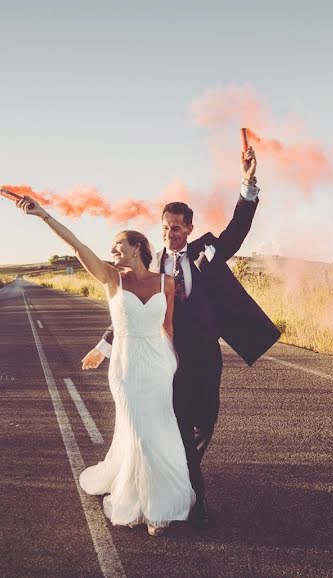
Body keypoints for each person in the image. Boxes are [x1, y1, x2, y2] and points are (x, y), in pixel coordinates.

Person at [81, 146, 281, 528]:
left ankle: (182, 467)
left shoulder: (206, 249)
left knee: (206, 419)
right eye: (165, 227)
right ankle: (193, 496)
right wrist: (105, 346)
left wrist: (248, 184)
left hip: (206, 353)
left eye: (176, 227)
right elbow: (132, 308)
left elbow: (236, 232)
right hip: (164, 358)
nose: (170, 233)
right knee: (178, 421)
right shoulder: (152, 266)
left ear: (189, 228)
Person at [11, 198, 193, 537]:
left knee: (159, 428)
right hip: (125, 366)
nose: (113, 253)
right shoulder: (111, 279)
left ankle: (162, 496)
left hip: (158, 366)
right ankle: (150, 506)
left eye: (119, 247)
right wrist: (44, 216)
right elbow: (78, 246)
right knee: (139, 428)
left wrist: (174, 360)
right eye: (111, 249)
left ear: (138, 247)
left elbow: (167, 326)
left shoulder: (166, 282)